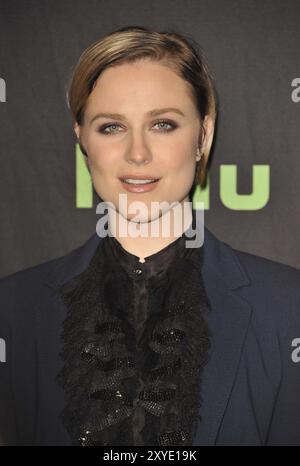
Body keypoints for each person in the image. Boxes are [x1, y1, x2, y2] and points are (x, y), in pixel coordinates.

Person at [1, 25, 300, 447]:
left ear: (203, 136)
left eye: (162, 124)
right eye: (111, 127)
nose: (137, 153)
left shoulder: (289, 308)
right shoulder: (11, 310)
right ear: (81, 139)